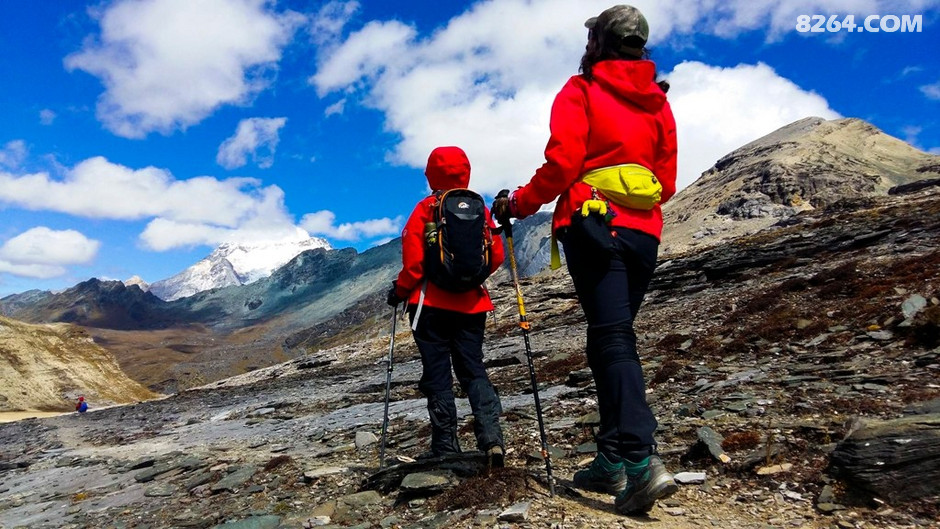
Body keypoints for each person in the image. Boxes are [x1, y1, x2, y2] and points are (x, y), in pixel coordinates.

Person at [491, 4, 678, 515]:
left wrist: (519, 203)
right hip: (644, 234)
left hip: (595, 227)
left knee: (613, 340)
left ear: (597, 43)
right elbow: (668, 180)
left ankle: (641, 463)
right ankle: (611, 458)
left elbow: (563, 163)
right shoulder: (659, 105)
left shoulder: (581, 91)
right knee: (608, 337)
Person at [387, 146, 507, 464]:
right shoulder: (478, 209)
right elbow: (496, 255)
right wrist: (470, 280)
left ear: (431, 174)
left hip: (429, 306)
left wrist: (399, 292)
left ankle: (445, 445)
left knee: (437, 373)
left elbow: (414, 265)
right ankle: (492, 438)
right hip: (472, 305)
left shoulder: (426, 208)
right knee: (473, 369)